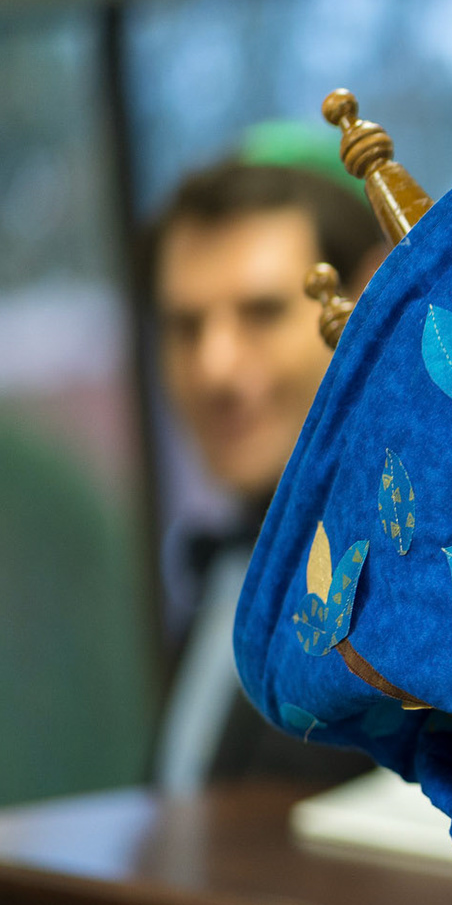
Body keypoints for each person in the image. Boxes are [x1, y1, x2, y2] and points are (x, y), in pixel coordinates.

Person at [148, 133, 383, 791]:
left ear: (366, 303)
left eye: (262, 312)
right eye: (185, 326)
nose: (214, 366)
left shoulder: (426, 586)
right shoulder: (222, 568)